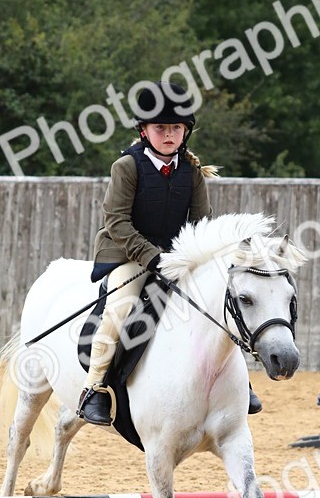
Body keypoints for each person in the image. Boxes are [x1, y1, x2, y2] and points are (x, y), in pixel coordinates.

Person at [77, 80, 263, 425]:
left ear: (184, 132)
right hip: (128, 254)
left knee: (220, 302)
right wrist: (153, 259)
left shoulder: (191, 172)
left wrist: (197, 259)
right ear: (144, 131)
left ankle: (241, 382)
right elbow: (117, 222)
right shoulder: (127, 168)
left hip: (177, 258)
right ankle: (94, 389)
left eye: (175, 128)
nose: (168, 135)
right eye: (160, 128)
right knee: (119, 310)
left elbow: (202, 225)